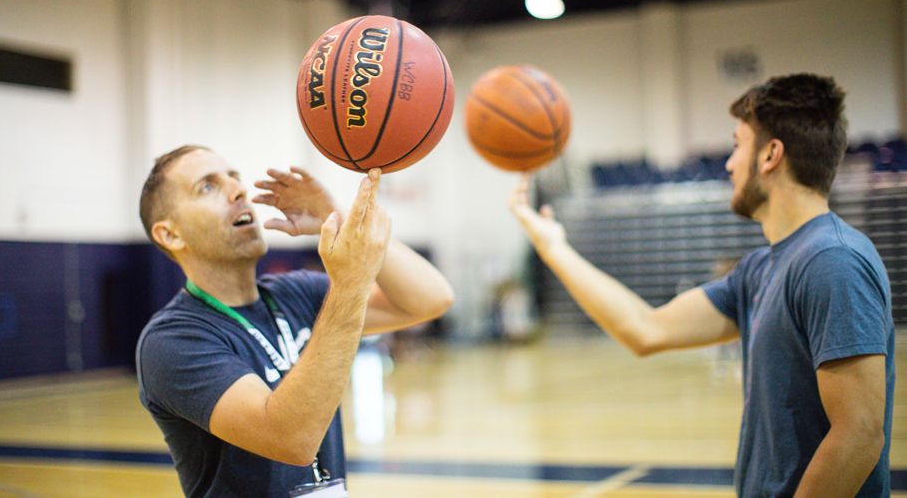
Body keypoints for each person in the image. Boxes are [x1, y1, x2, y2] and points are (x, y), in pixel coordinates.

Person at [508, 74, 894, 498]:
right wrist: (553, 247)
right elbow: (645, 328)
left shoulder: (832, 260)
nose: (729, 164)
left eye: (737, 145)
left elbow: (859, 434)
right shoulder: (760, 269)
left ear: (770, 155)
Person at [136, 145, 454, 497]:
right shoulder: (171, 341)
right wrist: (349, 284)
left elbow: (433, 298)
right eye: (207, 187)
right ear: (170, 234)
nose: (238, 190)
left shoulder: (297, 293)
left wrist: (337, 217)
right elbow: (291, 439)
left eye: (234, 177)